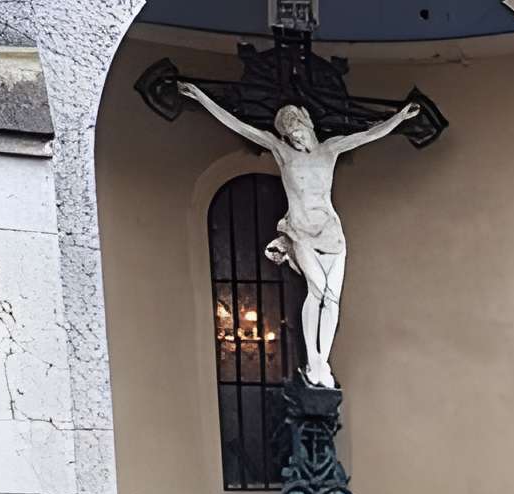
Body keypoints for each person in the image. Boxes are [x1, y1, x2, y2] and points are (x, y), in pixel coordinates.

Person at [177, 87, 420, 390]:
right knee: (317, 291)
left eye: (299, 132)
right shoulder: (282, 153)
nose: (296, 138)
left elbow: (367, 136)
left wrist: (398, 118)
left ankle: (323, 361)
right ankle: (313, 358)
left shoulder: (330, 149)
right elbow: (239, 126)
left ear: (309, 127)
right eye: (291, 135)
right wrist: (202, 97)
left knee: (333, 299)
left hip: (331, 234)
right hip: (301, 232)